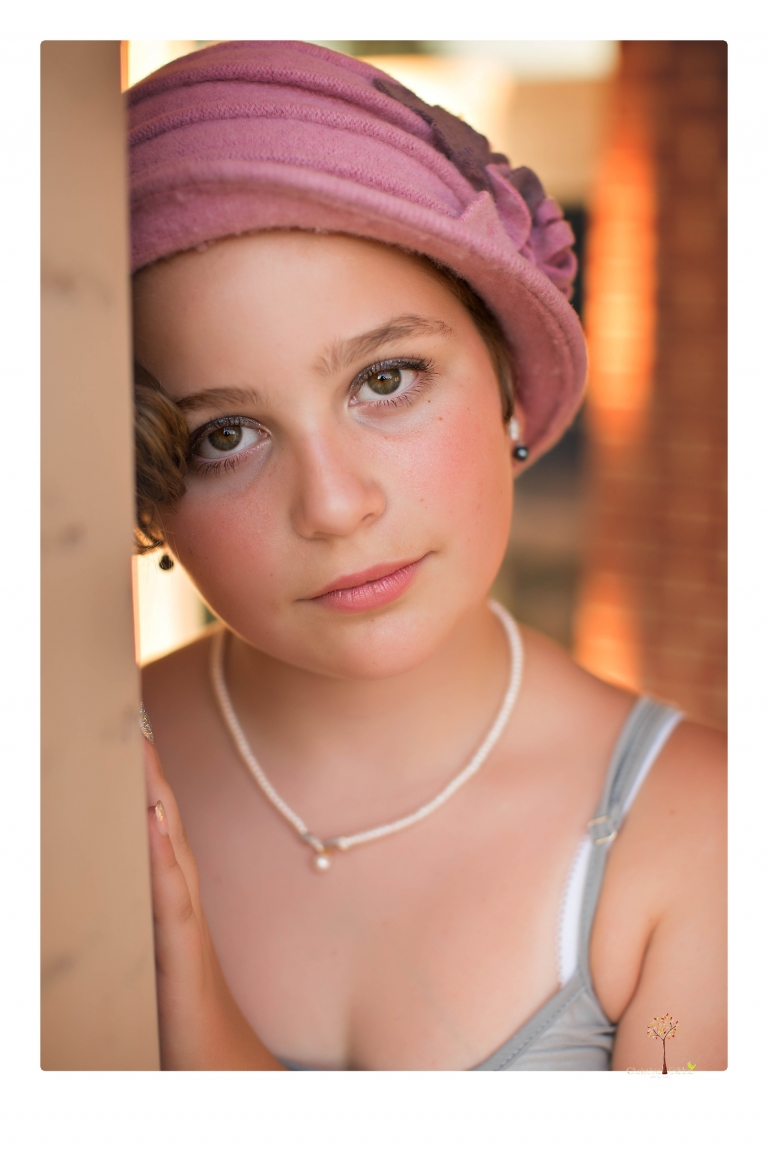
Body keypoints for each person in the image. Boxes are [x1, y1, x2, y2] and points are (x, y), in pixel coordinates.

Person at [130, 40, 726, 1071]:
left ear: (504, 378)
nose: (333, 504)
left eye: (387, 377)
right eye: (223, 434)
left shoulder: (705, 841)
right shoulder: (62, 773)